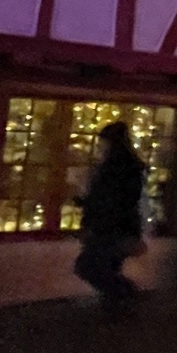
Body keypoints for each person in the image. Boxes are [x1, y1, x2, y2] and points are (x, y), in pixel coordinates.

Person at [74, 122, 147, 316]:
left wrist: (89, 209)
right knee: (106, 267)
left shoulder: (113, 170)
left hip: (109, 228)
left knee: (89, 266)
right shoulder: (127, 168)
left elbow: (110, 201)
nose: (101, 147)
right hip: (118, 227)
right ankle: (117, 305)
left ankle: (124, 296)